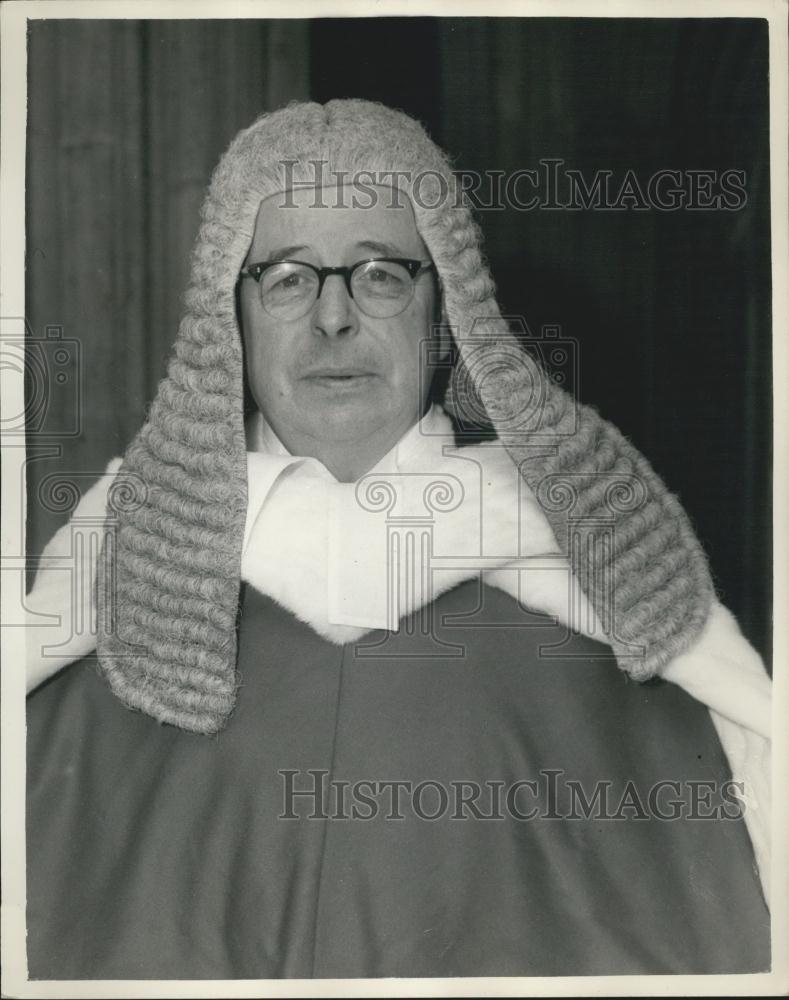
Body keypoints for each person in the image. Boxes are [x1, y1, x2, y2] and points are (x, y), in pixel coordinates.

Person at [25, 99, 771, 979]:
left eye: (380, 273)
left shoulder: (597, 562)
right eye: (289, 277)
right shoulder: (112, 570)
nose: (333, 317)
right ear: (228, 318)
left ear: (447, 311)